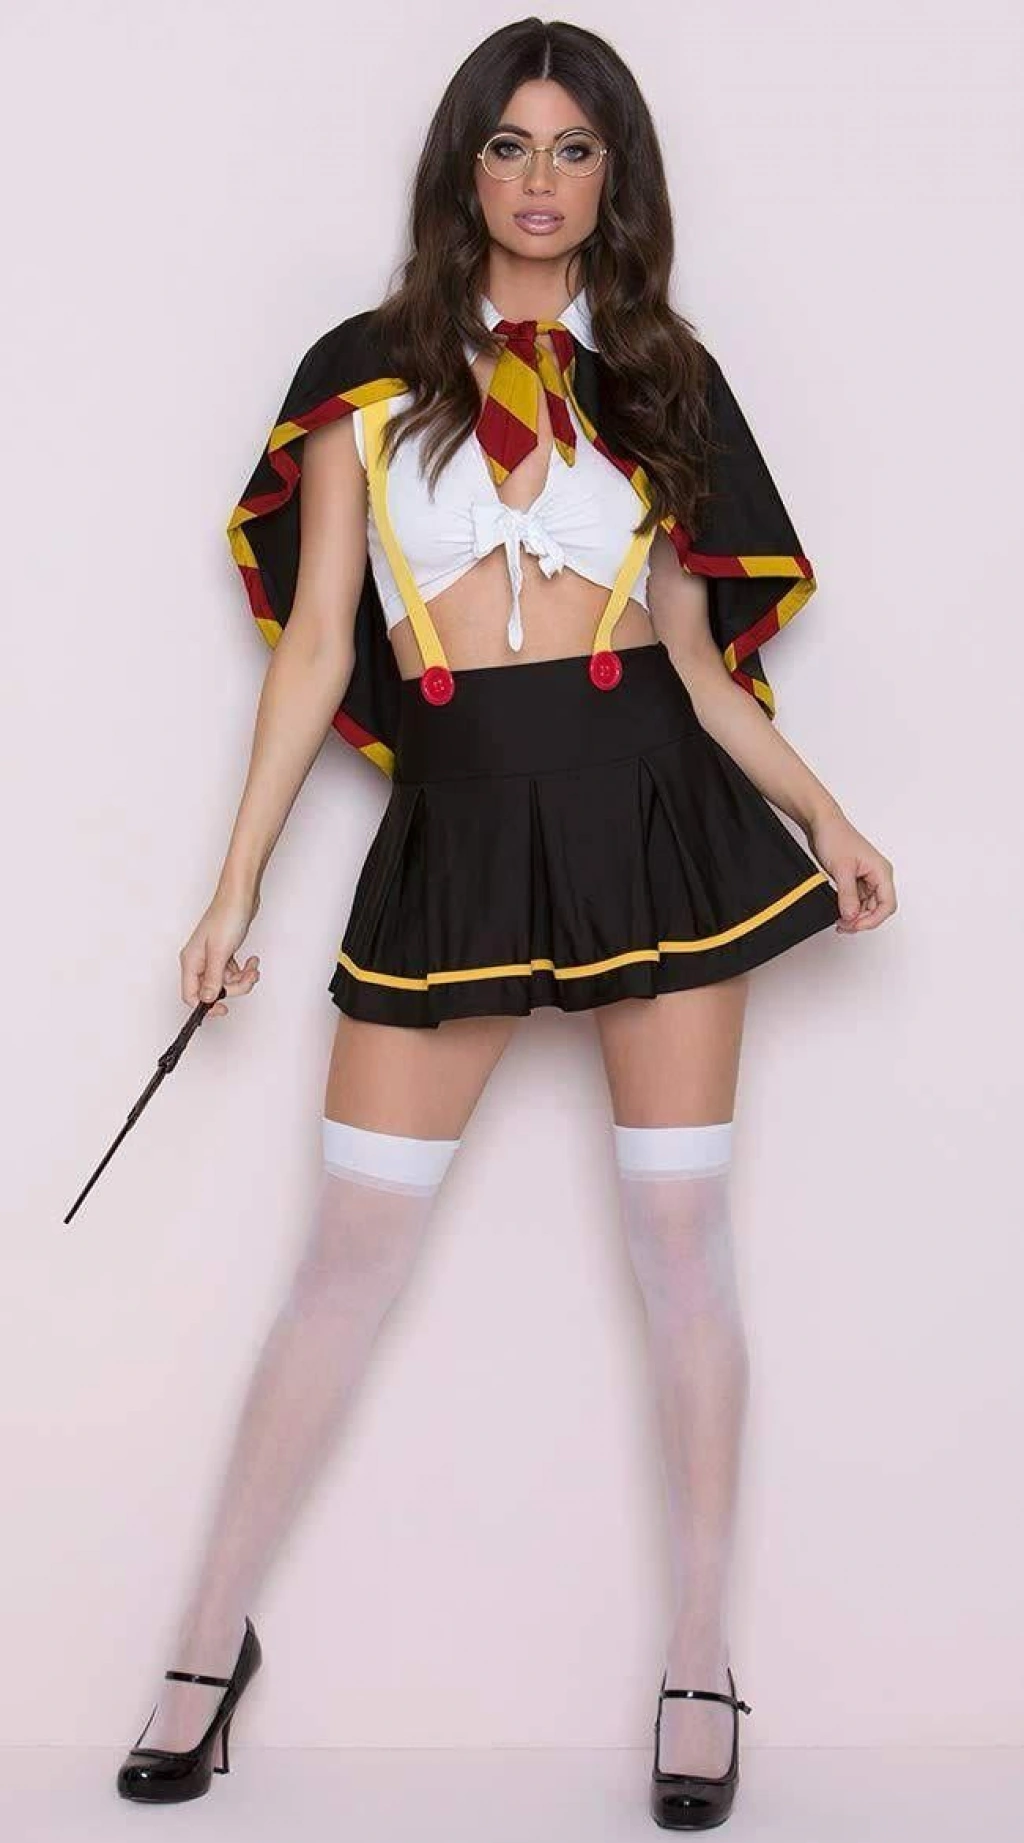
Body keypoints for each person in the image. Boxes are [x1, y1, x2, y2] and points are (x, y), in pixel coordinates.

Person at [116, 17, 896, 1827]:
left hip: (656, 822)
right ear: (461, 165)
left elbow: (694, 661)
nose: (541, 182)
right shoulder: (364, 378)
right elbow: (321, 646)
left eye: (575, 150)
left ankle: (698, 1652)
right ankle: (207, 1637)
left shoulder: (661, 382)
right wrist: (231, 886)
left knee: (682, 1240)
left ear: (616, 179)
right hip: (457, 829)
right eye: (509, 145)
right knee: (348, 1252)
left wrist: (829, 817)